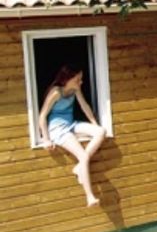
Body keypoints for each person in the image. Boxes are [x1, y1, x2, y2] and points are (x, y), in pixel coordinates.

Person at [38, 64, 106, 207]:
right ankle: (90, 196)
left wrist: (95, 124)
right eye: (77, 79)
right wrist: (46, 139)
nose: (80, 82)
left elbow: (84, 106)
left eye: (81, 79)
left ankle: (79, 167)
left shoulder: (75, 90)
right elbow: (42, 116)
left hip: (71, 124)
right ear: (67, 79)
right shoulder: (56, 92)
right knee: (84, 156)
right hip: (58, 130)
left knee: (101, 131)